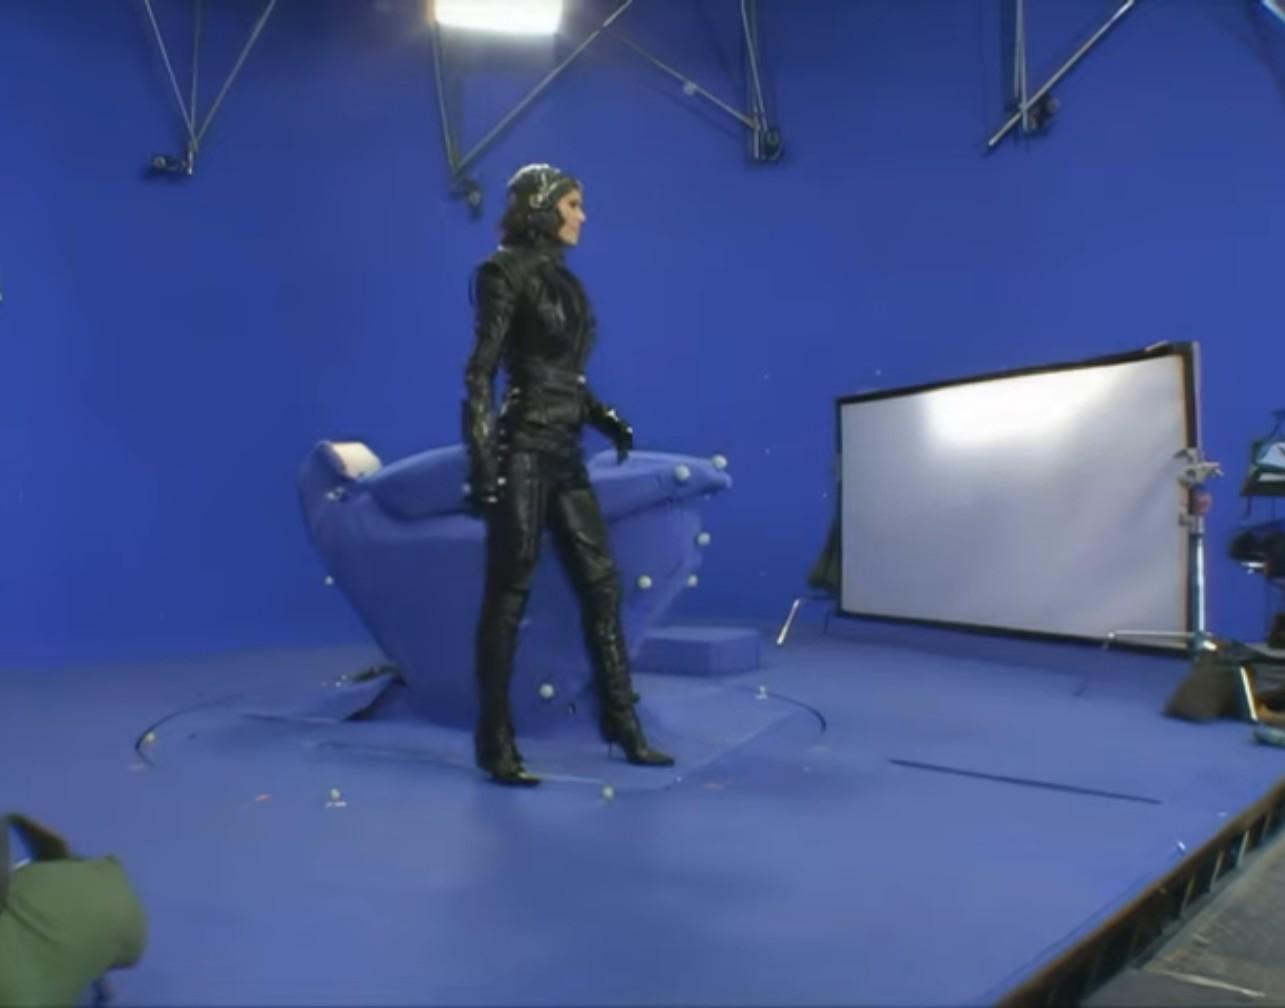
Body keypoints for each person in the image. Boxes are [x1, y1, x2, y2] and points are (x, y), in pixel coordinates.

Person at [462, 163, 674, 786]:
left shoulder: (566, 284)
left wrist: (603, 417)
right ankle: (494, 739)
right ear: (541, 205)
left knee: (602, 585)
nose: (582, 216)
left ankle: (621, 722)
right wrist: (484, 463)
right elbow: (482, 373)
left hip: (564, 449)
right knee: (509, 594)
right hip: (523, 449)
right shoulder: (502, 273)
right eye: (573, 204)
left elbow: (564, 377)